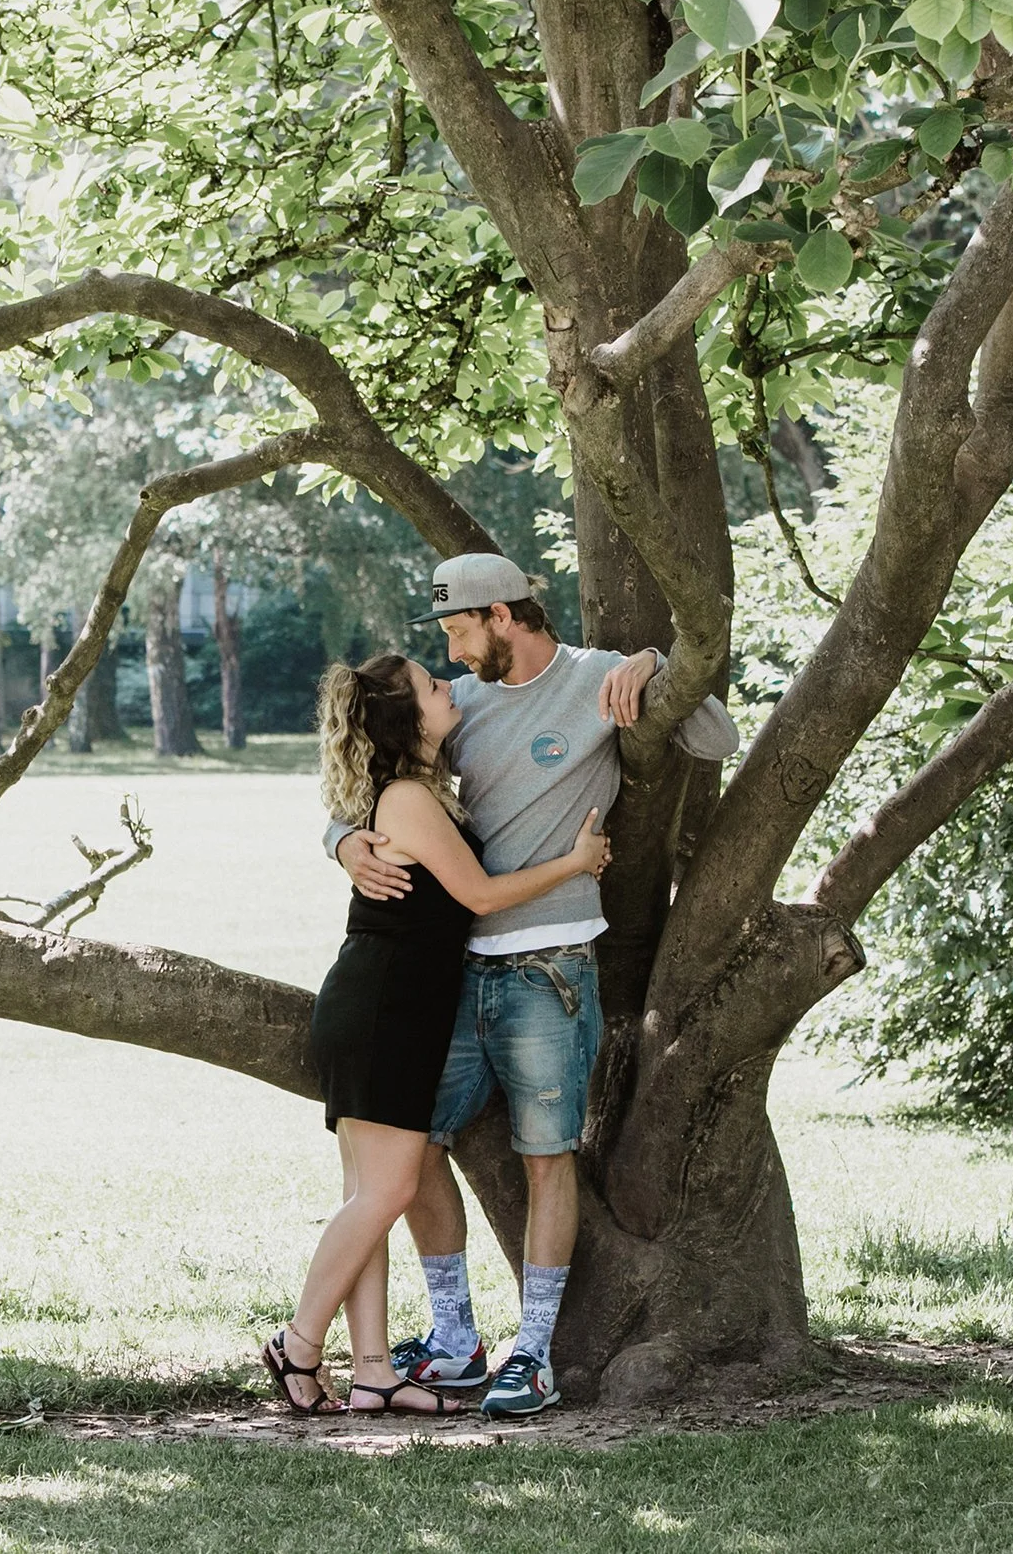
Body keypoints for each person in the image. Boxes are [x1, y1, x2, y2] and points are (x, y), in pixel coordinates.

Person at [325, 552, 740, 1417]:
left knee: (547, 1158)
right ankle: (454, 1340)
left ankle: (535, 1354)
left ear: (504, 616)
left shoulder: (598, 680)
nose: (448, 653)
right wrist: (341, 842)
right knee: (416, 1148)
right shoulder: (461, 705)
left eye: (458, 629)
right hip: (451, 973)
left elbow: (717, 739)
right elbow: (366, 776)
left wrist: (654, 666)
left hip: (551, 970)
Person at [263, 652, 611, 1416]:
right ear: (408, 719)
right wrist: (576, 863)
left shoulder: (419, 789)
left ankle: (374, 1373)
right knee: (385, 1191)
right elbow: (480, 895)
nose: (448, 684)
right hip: (382, 1011)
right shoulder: (408, 800)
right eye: (430, 685)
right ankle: (298, 1344)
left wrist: (341, 839)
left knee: (368, 1199)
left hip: (396, 1008)